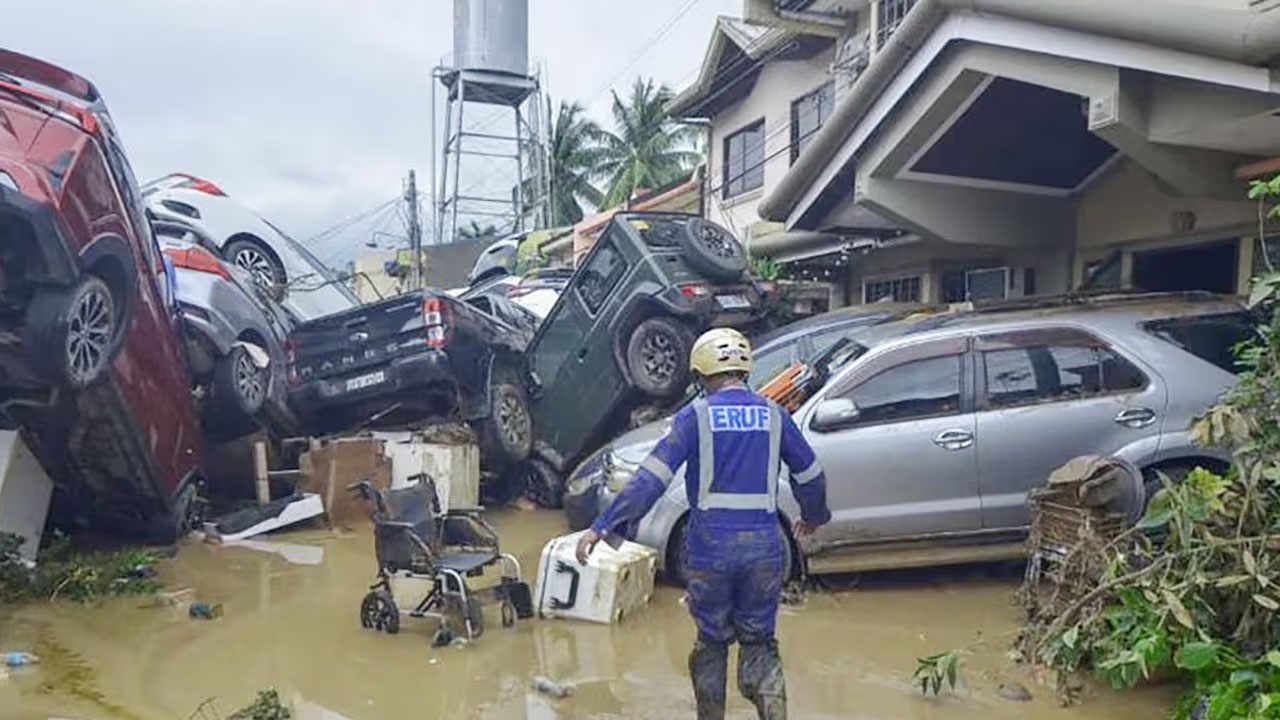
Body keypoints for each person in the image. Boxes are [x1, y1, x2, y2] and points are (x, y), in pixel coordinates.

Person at [576, 327, 831, 720]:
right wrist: (813, 517)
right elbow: (811, 475)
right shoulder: (776, 416)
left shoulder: (694, 417)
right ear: (744, 371)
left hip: (710, 549)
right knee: (760, 640)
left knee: (711, 642)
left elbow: (651, 479)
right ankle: (771, 704)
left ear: (701, 375)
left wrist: (605, 525)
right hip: (765, 547)